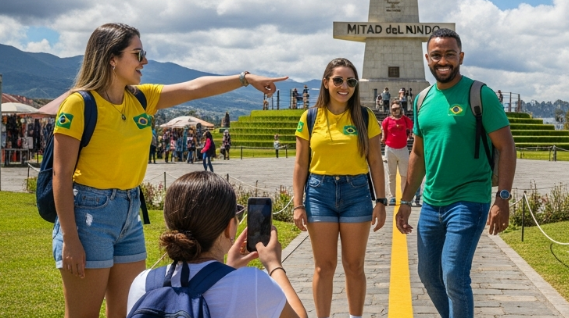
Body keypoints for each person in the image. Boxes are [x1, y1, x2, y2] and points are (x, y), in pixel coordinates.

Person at [51, 23, 286, 317]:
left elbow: (194, 88)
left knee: (126, 312)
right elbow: (60, 175)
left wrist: (245, 78)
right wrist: (70, 239)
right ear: (112, 58)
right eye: (137, 54)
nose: (144, 61)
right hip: (88, 214)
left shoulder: (140, 98)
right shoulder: (79, 103)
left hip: (130, 212)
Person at [395, 28, 516, 318]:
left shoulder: (480, 94)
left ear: (460, 56)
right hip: (432, 202)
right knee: (427, 274)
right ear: (428, 59)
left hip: (469, 200)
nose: (443, 60)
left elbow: (507, 147)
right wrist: (406, 201)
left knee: (453, 275)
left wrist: (502, 198)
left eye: (450, 54)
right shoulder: (422, 100)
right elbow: (418, 154)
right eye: (436, 55)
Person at [126, 171, 307, 318]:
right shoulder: (253, 284)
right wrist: (274, 265)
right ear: (230, 227)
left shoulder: (142, 283)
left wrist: (227, 268)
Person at [292, 58, 386, 318]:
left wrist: (381, 201)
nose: (344, 86)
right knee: (324, 266)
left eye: (350, 81)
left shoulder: (365, 117)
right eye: (338, 80)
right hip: (319, 192)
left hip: (356, 192)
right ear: (326, 82)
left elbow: (376, 161)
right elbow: (300, 164)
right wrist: (298, 204)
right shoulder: (310, 117)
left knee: (354, 266)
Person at [381, 101, 413, 206]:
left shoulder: (404, 119)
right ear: (391, 109)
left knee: (404, 174)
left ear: (400, 109)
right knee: (391, 174)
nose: (395, 110)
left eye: (397, 108)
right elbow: (383, 130)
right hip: (390, 149)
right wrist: (382, 137)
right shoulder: (387, 120)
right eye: (393, 109)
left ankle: (404, 196)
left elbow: (412, 126)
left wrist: (410, 134)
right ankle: (393, 197)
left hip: (403, 149)